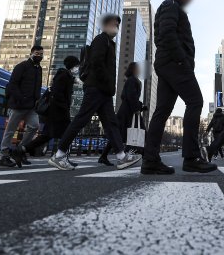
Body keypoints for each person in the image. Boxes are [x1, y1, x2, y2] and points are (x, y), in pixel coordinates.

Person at [142, 0, 216, 175]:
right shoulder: (170, 5)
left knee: (162, 111)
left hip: (167, 64)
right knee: (195, 101)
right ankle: (191, 158)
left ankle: (150, 160)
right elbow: (167, 33)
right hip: (175, 64)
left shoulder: (171, 7)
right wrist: (182, 60)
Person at [48, 15, 140, 171]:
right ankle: (59, 155)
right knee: (81, 120)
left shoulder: (109, 43)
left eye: (117, 25)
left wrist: (108, 87)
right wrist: (106, 83)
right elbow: (96, 63)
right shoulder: (100, 40)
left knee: (111, 124)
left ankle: (121, 157)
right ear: (104, 26)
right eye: (113, 24)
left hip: (104, 91)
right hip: (96, 88)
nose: (116, 27)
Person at [19, 56, 79, 160]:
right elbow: (57, 93)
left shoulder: (66, 75)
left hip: (56, 111)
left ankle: (21, 150)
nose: (77, 68)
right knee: (68, 133)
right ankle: (61, 158)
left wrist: (74, 80)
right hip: (59, 111)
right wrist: (64, 108)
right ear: (72, 65)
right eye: (76, 65)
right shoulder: (63, 75)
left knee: (46, 136)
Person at [0, 45, 44, 167]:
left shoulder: (39, 69)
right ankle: (3, 156)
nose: (39, 56)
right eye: (37, 53)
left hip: (31, 106)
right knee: (10, 131)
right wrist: (21, 98)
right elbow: (12, 84)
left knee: (34, 126)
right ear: (31, 53)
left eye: (41, 54)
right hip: (18, 105)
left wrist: (37, 100)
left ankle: (20, 150)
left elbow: (37, 86)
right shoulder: (21, 66)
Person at [99, 61, 145, 164]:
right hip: (128, 111)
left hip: (128, 110)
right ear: (133, 69)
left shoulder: (133, 80)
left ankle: (104, 156)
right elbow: (130, 96)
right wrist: (137, 108)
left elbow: (130, 96)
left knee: (119, 134)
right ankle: (146, 157)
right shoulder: (132, 80)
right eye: (138, 68)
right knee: (140, 131)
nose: (139, 70)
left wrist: (140, 106)